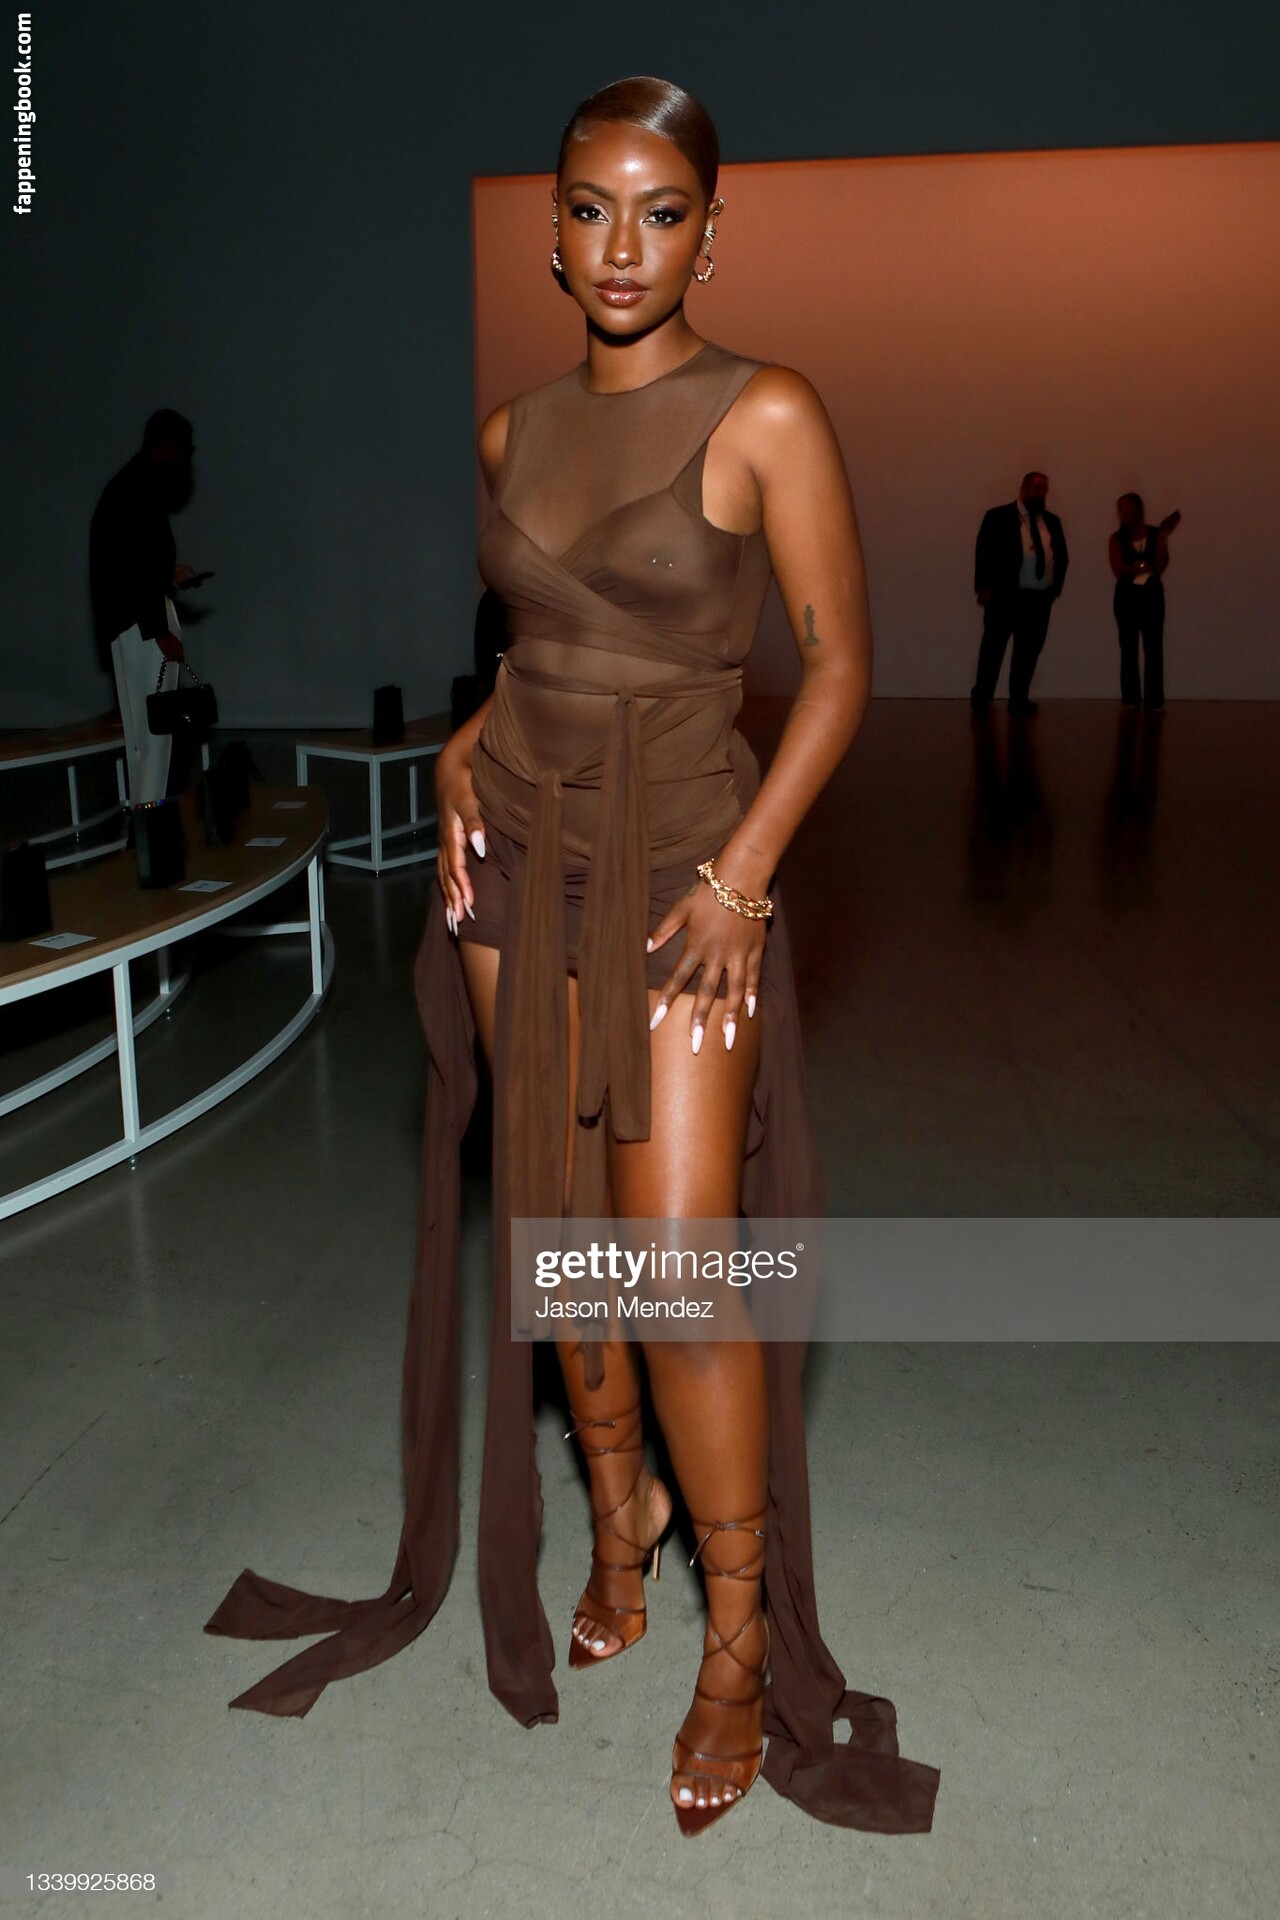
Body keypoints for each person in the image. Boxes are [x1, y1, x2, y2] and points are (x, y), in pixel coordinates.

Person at [207, 77, 939, 1839]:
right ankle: (621, 1524)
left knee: (674, 1264)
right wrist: (462, 751)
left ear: (710, 230)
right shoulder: (509, 431)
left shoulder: (765, 411)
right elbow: (539, 651)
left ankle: (739, 1650)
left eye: (660, 211)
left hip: (683, 867)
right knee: (556, 1235)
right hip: (515, 861)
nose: (624, 246)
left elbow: (841, 670)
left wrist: (745, 880)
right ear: (550, 230)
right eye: (592, 209)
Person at [89, 410, 208, 802]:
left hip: (138, 621)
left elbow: (133, 564)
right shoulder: (135, 490)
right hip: (139, 627)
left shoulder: (133, 486)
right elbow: (131, 572)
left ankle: (152, 817)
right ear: (165, 448)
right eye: (185, 451)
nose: (186, 461)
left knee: (154, 734)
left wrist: (167, 576)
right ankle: (150, 822)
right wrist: (160, 632)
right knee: (151, 736)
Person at [970, 471, 1069, 715]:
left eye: (1044, 489)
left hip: (1038, 598)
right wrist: (983, 585)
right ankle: (982, 695)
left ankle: (1019, 699)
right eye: (1037, 488)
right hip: (1005, 595)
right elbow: (983, 552)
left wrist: (1054, 588)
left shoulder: (1051, 521)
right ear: (1024, 488)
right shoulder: (998, 516)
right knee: (993, 647)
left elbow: (1061, 556)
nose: (1041, 493)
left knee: (1028, 650)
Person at [1110, 494, 1179, 712]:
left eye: (1126, 508)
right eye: (1120, 509)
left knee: (1154, 647)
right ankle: (1130, 697)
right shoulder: (1117, 538)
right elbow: (1119, 569)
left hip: (1151, 596)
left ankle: (1154, 699)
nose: (1122, 513)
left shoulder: (1155, 534)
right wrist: (1142, 566)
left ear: (1138, 509)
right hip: (1127, 597)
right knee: (1128, 648)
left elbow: (1160, 565)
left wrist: (1162, 539)